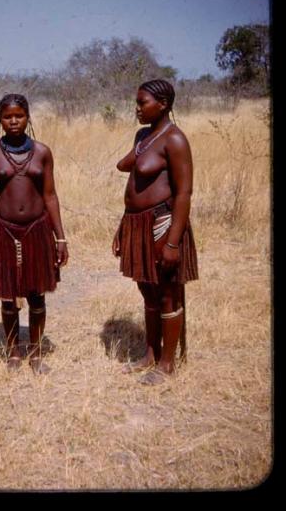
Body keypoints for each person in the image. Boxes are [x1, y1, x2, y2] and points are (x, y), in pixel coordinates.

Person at [112, 79, 198, 385]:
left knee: (166, 295)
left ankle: (167, 364)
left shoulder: (174, 140)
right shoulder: (144, 137)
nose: (136, 108)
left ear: (163, 104)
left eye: (142, 103)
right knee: (146, 290)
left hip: (162, 224)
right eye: (136, 102)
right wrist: (124, 226)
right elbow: (124, 167)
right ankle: (149, 354)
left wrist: (173, 242)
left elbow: (184, 193)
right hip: (136, 224)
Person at [0, 94, 68, 374]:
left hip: (37, 230)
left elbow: (50, 196)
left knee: (36, 294)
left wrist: (60, 238)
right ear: (0, 119)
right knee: (8, 296)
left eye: (19, 115)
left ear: (28, 116)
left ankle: (37, 351)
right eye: (7, 116)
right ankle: (13, 352)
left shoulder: (42, 152)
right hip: (3, 230)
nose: (13, 121)